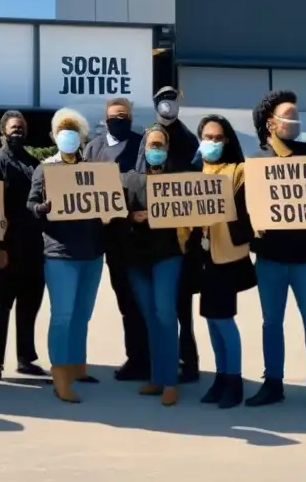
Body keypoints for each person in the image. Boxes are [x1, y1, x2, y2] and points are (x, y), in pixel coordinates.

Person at [246, 90, 306, 414]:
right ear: (270, 123)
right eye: (288, 116)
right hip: (270, 259)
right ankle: (273, 382)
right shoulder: (256, 163)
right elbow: (244, 210)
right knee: (271, 323)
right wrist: (251, 227)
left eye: (297, 116)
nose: (294, 122)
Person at [28, 108, 104, 403]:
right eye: (63, 131)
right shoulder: (45, 169)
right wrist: (40, 210)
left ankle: (77, 366)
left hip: (92, 253)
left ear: (82, 137)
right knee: (63, 315)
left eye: (74, 131)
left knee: (82, 314)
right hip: (60, 254)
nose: (69, 136)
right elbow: (30, 205)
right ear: (54, 136)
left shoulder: (93, 169)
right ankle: (60, 374)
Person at [135, 87, 201, 383]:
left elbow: (197, 182)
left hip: (181, 239)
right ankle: (158, 364)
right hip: (149, 241)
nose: (167, 104)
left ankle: (188, 363)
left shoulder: (188, 139)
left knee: (182, 308)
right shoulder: (149, 136)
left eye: (172, 99)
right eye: (163, 100)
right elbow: (139, 176)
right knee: (156, 310)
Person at [82, 98, 150, 381]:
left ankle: (145, 359)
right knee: (125, 300)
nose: (119, 120)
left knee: (141, 301)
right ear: (105, 118)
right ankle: (135, 358)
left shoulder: (141, 143)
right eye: (114, 116)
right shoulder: (93, 146)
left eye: (124, 116)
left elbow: (145, 180)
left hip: (135, 236)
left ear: (131, 118)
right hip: (106, 238)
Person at [194, 115, 256, 409]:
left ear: (227, 141)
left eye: (218, 138)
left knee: (224, 319)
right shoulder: (192, 171)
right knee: (211, 320)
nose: (212, 143)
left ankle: (234, 380)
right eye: (207, 137)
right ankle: (220, 376)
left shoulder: (239, 172)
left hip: (227, 254)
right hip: (201, 255)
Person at [120, 126, 185, 406]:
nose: (155, 149)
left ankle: (171, 381)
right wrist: (133, 218)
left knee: (165, 314)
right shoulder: (129, 180)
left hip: (168, 255)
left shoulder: (178, 180)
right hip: (136, 259)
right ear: (143, 147)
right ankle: (157, 378)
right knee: (150, 319)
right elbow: (116, 215)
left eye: (160, 145)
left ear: (167, 149)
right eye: (151, 144)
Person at [0, 111, 47, 381]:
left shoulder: (33, 163)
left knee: (29, 306)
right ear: (3, 132)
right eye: (13, 128)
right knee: (1, 307)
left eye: (21, 127)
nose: (17, 131)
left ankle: (25, 359)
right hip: (5, 249)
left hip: (34, 248)